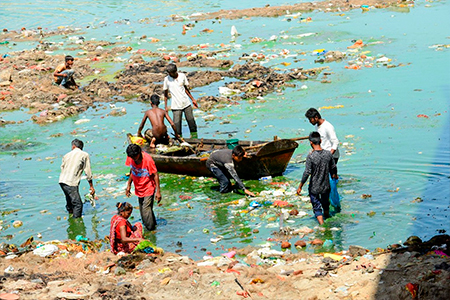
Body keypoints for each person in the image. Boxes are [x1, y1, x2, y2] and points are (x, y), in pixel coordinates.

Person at [297, 132, 338, 225]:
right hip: (325, 186)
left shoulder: (311, 156)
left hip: (314, 187)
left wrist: (300, 186)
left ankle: (322, 225)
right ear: (321, 141)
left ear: (311, 143)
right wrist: (334, 175)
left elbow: (307, 172)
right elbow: (333, 167)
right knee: (325, 204)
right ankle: (327, 218)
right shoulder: (328, 154)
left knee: (316, 207)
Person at [125, 144, 162, 231]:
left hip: (149, 187)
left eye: (135, 156)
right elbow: (132, 170)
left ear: (139, 153)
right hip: (139, 187)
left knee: (146, 211)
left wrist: (158, 191)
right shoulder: (131, 158)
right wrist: (129, 185)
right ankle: (153, 226)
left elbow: (155, 174)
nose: (134, 158)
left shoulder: (148, 160)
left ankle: (151, 231)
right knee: (144, 212)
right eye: (132, 157)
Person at [59, 139, 95, 218]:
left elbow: (62, 168)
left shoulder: (66, 155)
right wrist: (91, 186)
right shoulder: (84, 155)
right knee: (78, 204)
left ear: (73, 146)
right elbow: (88, 171)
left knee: (69, 200)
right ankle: (76, 222)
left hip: (62, 181)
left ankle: (70, 214)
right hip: (71, 182)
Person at [163, 63, 198, 138]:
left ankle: (195, 138)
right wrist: (165, 106)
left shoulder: (182, 76)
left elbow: (186, 89)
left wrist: (193, 99)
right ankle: (179, 141)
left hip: (186, 103)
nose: (169, 74)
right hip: (175, 106)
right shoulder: (167, 79)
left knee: (192, 123)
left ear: (175, 71)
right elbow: (165, 94)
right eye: (169, 73)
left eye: (171, 73)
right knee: (177, 127)